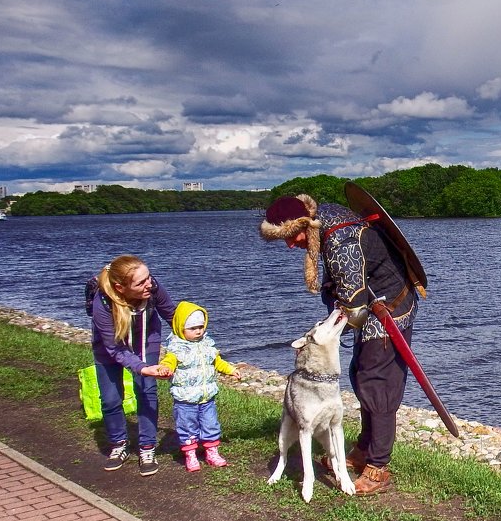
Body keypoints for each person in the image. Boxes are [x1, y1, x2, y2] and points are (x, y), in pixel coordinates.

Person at [260, 193, 416, 495]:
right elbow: (342, 293)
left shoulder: (341, 238)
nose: (291, 244)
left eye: (293, 236)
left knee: (378, 384)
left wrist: (321, 335)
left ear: (306, 223)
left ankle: (379, 466)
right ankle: (364, 448)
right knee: (361, 375)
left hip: (389, 310)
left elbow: (352, 307)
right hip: (370, 308)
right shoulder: (323, 224)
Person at [90, 254, 177, 476]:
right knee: (110, 398)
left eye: (148, 277)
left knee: (147, 390)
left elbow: (173, 316)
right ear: (120, 288)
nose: (150, 284)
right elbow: (114, 349)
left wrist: (196, 343)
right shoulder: (103, 303)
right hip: (109, 348)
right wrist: (140, 367)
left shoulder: (153, 287)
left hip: (145, 340)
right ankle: (119, 444)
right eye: (141, 283)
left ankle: (147, 447)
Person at [161, 301, 240, 472]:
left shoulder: (207, 345)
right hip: (185, 398)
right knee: (187, 425)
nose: (198, 331)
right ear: (181, 328)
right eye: (192, 328)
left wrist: (230, 370)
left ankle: (211, 451)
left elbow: (217, 362)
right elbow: (169, 361)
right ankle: (190, 453)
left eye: (201, 327)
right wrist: (166, 368)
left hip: (206, 396)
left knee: (210, 424)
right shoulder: (176, 348)